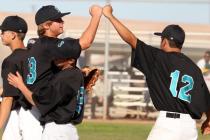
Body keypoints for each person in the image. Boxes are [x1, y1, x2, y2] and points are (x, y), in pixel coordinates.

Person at [103, 5, 210, 140]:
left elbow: (131, 39)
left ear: (165, 41)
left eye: (161, 39)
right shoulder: (194, 68)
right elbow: (206, 99)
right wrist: (208, 120)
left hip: (168, 125)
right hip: (189, 128)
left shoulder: (158, 58)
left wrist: (110, 16)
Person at [11, 4, 102, 140]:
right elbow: (85, 42)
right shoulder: (49, 44)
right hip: (40, 111)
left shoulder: (38, 45)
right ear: (46, 26)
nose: (62, 22)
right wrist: (96, 15)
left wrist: (77, 78)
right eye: (58, 20)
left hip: (41, 108)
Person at [0, 16, 28, 140]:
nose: (1, 35)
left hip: (17, 115)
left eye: (3, 32)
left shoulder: (11, 61)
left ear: (13, 35)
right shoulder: (33, 56)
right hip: (38, 113)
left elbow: (8, 98)